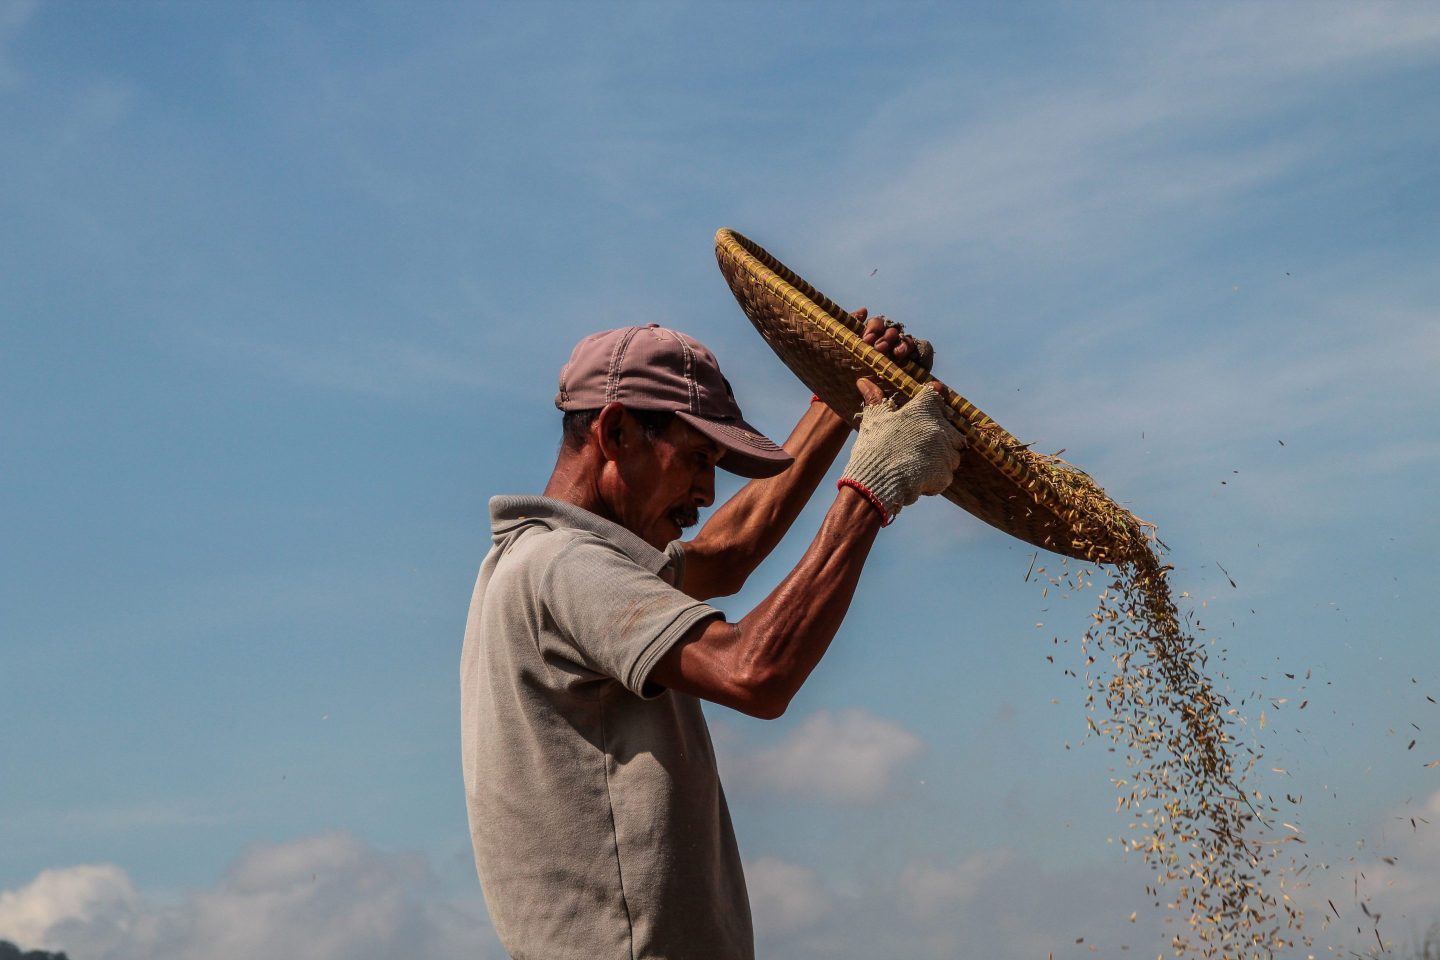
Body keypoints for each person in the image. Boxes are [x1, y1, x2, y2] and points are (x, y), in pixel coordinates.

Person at [460, 313, 965, 960]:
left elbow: (728, 555)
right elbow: (754, 673)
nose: (706, 491)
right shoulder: (565, 567)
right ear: (615, 432)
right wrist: (874, 486)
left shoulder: (541, 561)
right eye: (698, 459)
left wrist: (839, 401)